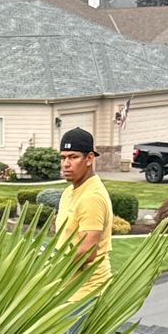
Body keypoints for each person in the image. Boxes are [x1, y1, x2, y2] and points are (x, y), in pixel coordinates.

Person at [53, 126, 115, 294]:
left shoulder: (92, 197)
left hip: (86, 292)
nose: (66, 164)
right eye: (63, 158)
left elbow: (87, 252)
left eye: (73, 157)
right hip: (66, 289)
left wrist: (51, 266)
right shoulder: (68, 192)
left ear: (89, 158)